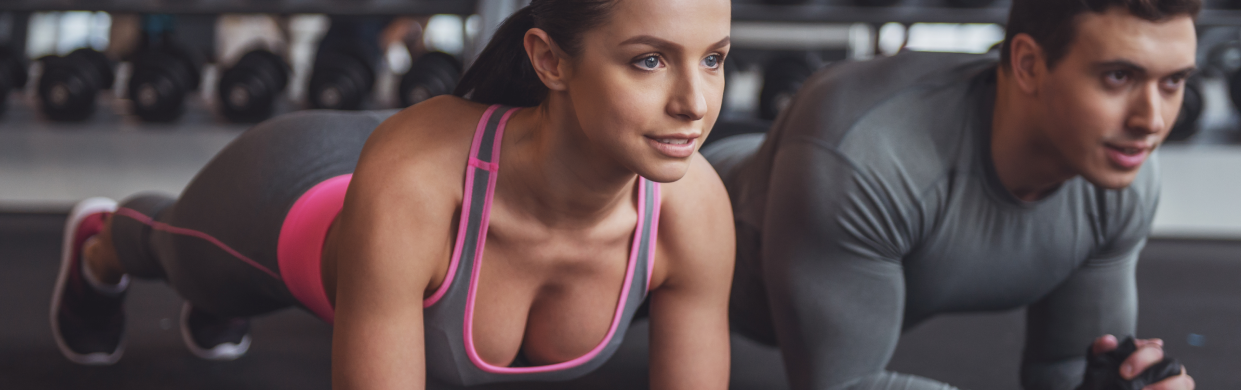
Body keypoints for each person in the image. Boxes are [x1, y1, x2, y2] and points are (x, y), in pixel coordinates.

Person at [49, 0, 735, 388]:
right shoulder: (418, 183)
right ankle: (102, 245)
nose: (695, 102)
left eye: (714, 59)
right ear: (551, 60)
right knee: (179, 254)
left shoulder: (693, 209)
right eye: (649, 60)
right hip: (299, 187)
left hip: (418, 172)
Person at [704, 0, 1200, 389]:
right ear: (1028, 64)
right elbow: (845, 385)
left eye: (1173, 81)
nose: (1151, 121)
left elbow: (1064, 367)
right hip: (673, 225)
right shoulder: (866, 150)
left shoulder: (1120, 176)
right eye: (1118, 76)